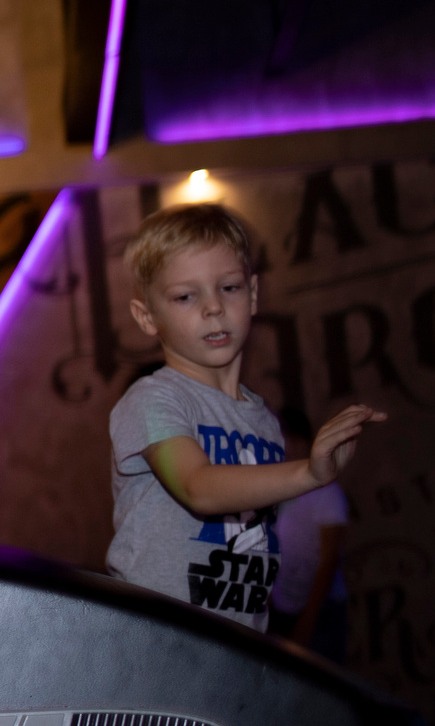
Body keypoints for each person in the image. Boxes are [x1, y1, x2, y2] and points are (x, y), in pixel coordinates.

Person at [107, 202, 381, 627]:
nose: (213, 307)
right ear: (147, 317)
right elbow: (198, 487)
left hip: (237, 643)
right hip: (158, 637)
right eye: (185, 296)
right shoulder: (152, 400)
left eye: (229, 287)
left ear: (253, 294)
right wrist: (308, 473)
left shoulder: (264, 421)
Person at [267, 408, 351, 661]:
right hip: (281, 607)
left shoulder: (326, 492)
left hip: (321, 611)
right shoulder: (275, 486)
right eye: (283, 439)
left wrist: (308, 618)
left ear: (308, 442)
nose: (289, 447)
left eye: (294, 440)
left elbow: (329, 560)